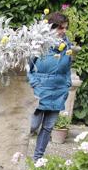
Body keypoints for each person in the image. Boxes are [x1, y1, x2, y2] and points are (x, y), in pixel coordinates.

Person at [29, 12, 73, 161]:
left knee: (48, 127)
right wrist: (35, 83)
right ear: (51, 27)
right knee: (32, 126)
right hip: (40, 90)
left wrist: (67, 83)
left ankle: (38, 159)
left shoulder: (67, 46)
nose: (64, 31)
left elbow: (68, 68)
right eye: (61, 28)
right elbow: (26, 68)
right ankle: (14, 150)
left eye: (65, 28)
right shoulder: (38, 44)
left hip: (59, 91)